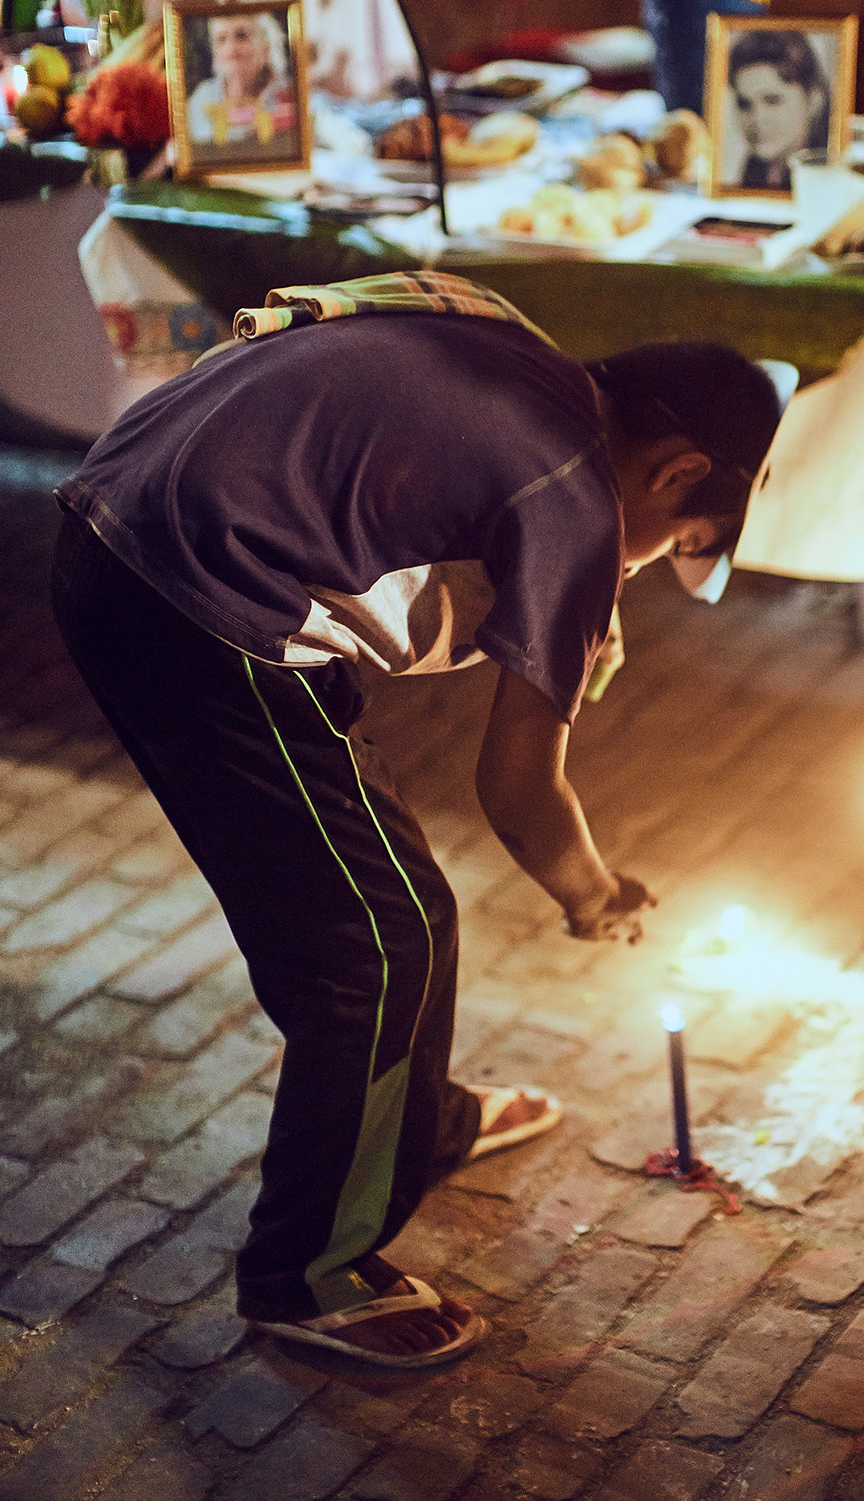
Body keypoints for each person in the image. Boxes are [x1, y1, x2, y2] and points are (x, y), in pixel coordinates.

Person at [50, 272, 782, 1369]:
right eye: (671, 543)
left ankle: (412, 1127)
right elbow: (519, 788)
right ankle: (310, 1270)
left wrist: (572, 600)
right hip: (192, 600)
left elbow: (315, 319)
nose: (641, 569)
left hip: (127, 506)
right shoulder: (577, 497)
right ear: (676, 473)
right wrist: (595, 895)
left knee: (393, 891)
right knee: (376, 942)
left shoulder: (512, 333)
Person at [728, 30, 831, 191]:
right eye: (744, 104)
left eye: (772, 100)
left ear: (813, 100)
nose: (757, 118)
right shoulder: (754, 170)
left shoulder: (827, 175)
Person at [187, 10, 298, 152]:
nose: (231, 49)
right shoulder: (202, 98)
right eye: (221, 39)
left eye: (241, 36)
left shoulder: (292, 95)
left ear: (267, 47)